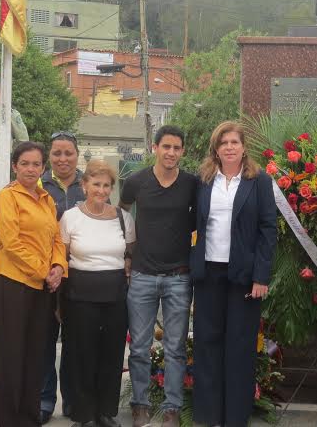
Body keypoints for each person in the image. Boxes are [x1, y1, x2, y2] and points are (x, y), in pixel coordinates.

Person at [190, 121, 277, 427]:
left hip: (244, 275)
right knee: (207, 343)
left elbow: (268, 230)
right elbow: (194, 224)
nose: (229, 147)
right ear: (216, 148)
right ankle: (209, 416)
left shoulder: (259, 182)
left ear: (243, 147)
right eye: (223, 142)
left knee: (240, 347)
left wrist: (261, 276)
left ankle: (235, 418)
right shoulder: (203, 180)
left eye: (234, 142)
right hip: (209, 272)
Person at [121, 125, 198, 427]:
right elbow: (123, 214)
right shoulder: (136, 181)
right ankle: (140, 404)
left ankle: (172, 408)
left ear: (182, 151)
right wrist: (128, 254)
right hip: (141, 275)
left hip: (179, 277)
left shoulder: (192, 183)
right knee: (139, 347)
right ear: (155, 148)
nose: (171, 153)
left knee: (175, 348)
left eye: (177, 148)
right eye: (166, 146)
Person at [0, 141, 67, 427]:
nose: (31, 169)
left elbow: (56, 239)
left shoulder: (47, 199)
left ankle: (29, 418)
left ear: (43, 168)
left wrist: (58, 267)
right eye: (25, 163)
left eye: (36, 164)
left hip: (43, 285)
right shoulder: (7, 197)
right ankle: (10, 421)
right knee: (13, 356)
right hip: (13, 282)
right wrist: (43, 272)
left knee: (36, 355)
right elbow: (11, 243)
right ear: (14, 166)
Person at [61, 160, 136, 427]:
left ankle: (105, 411)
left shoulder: (123, 218)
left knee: (112, 354)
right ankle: (84, 414)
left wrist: (128, 264)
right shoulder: (70, 217)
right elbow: (62, 257)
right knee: (83, 354)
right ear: (84, 186)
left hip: (115, 293)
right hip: (80, 294)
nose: (101, 190)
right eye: (96, 184)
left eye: (106, 185)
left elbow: (130, 253)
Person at [39, 131, 86, 424]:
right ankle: (44, 399)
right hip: (44, 274)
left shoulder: (88, 185)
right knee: (44, 341)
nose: (63, 158)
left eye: (68, 152)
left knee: (74, 342)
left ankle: (72, 399)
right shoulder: (38, 185)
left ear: (77, 155)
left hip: (80, 275)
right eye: (57, 153)